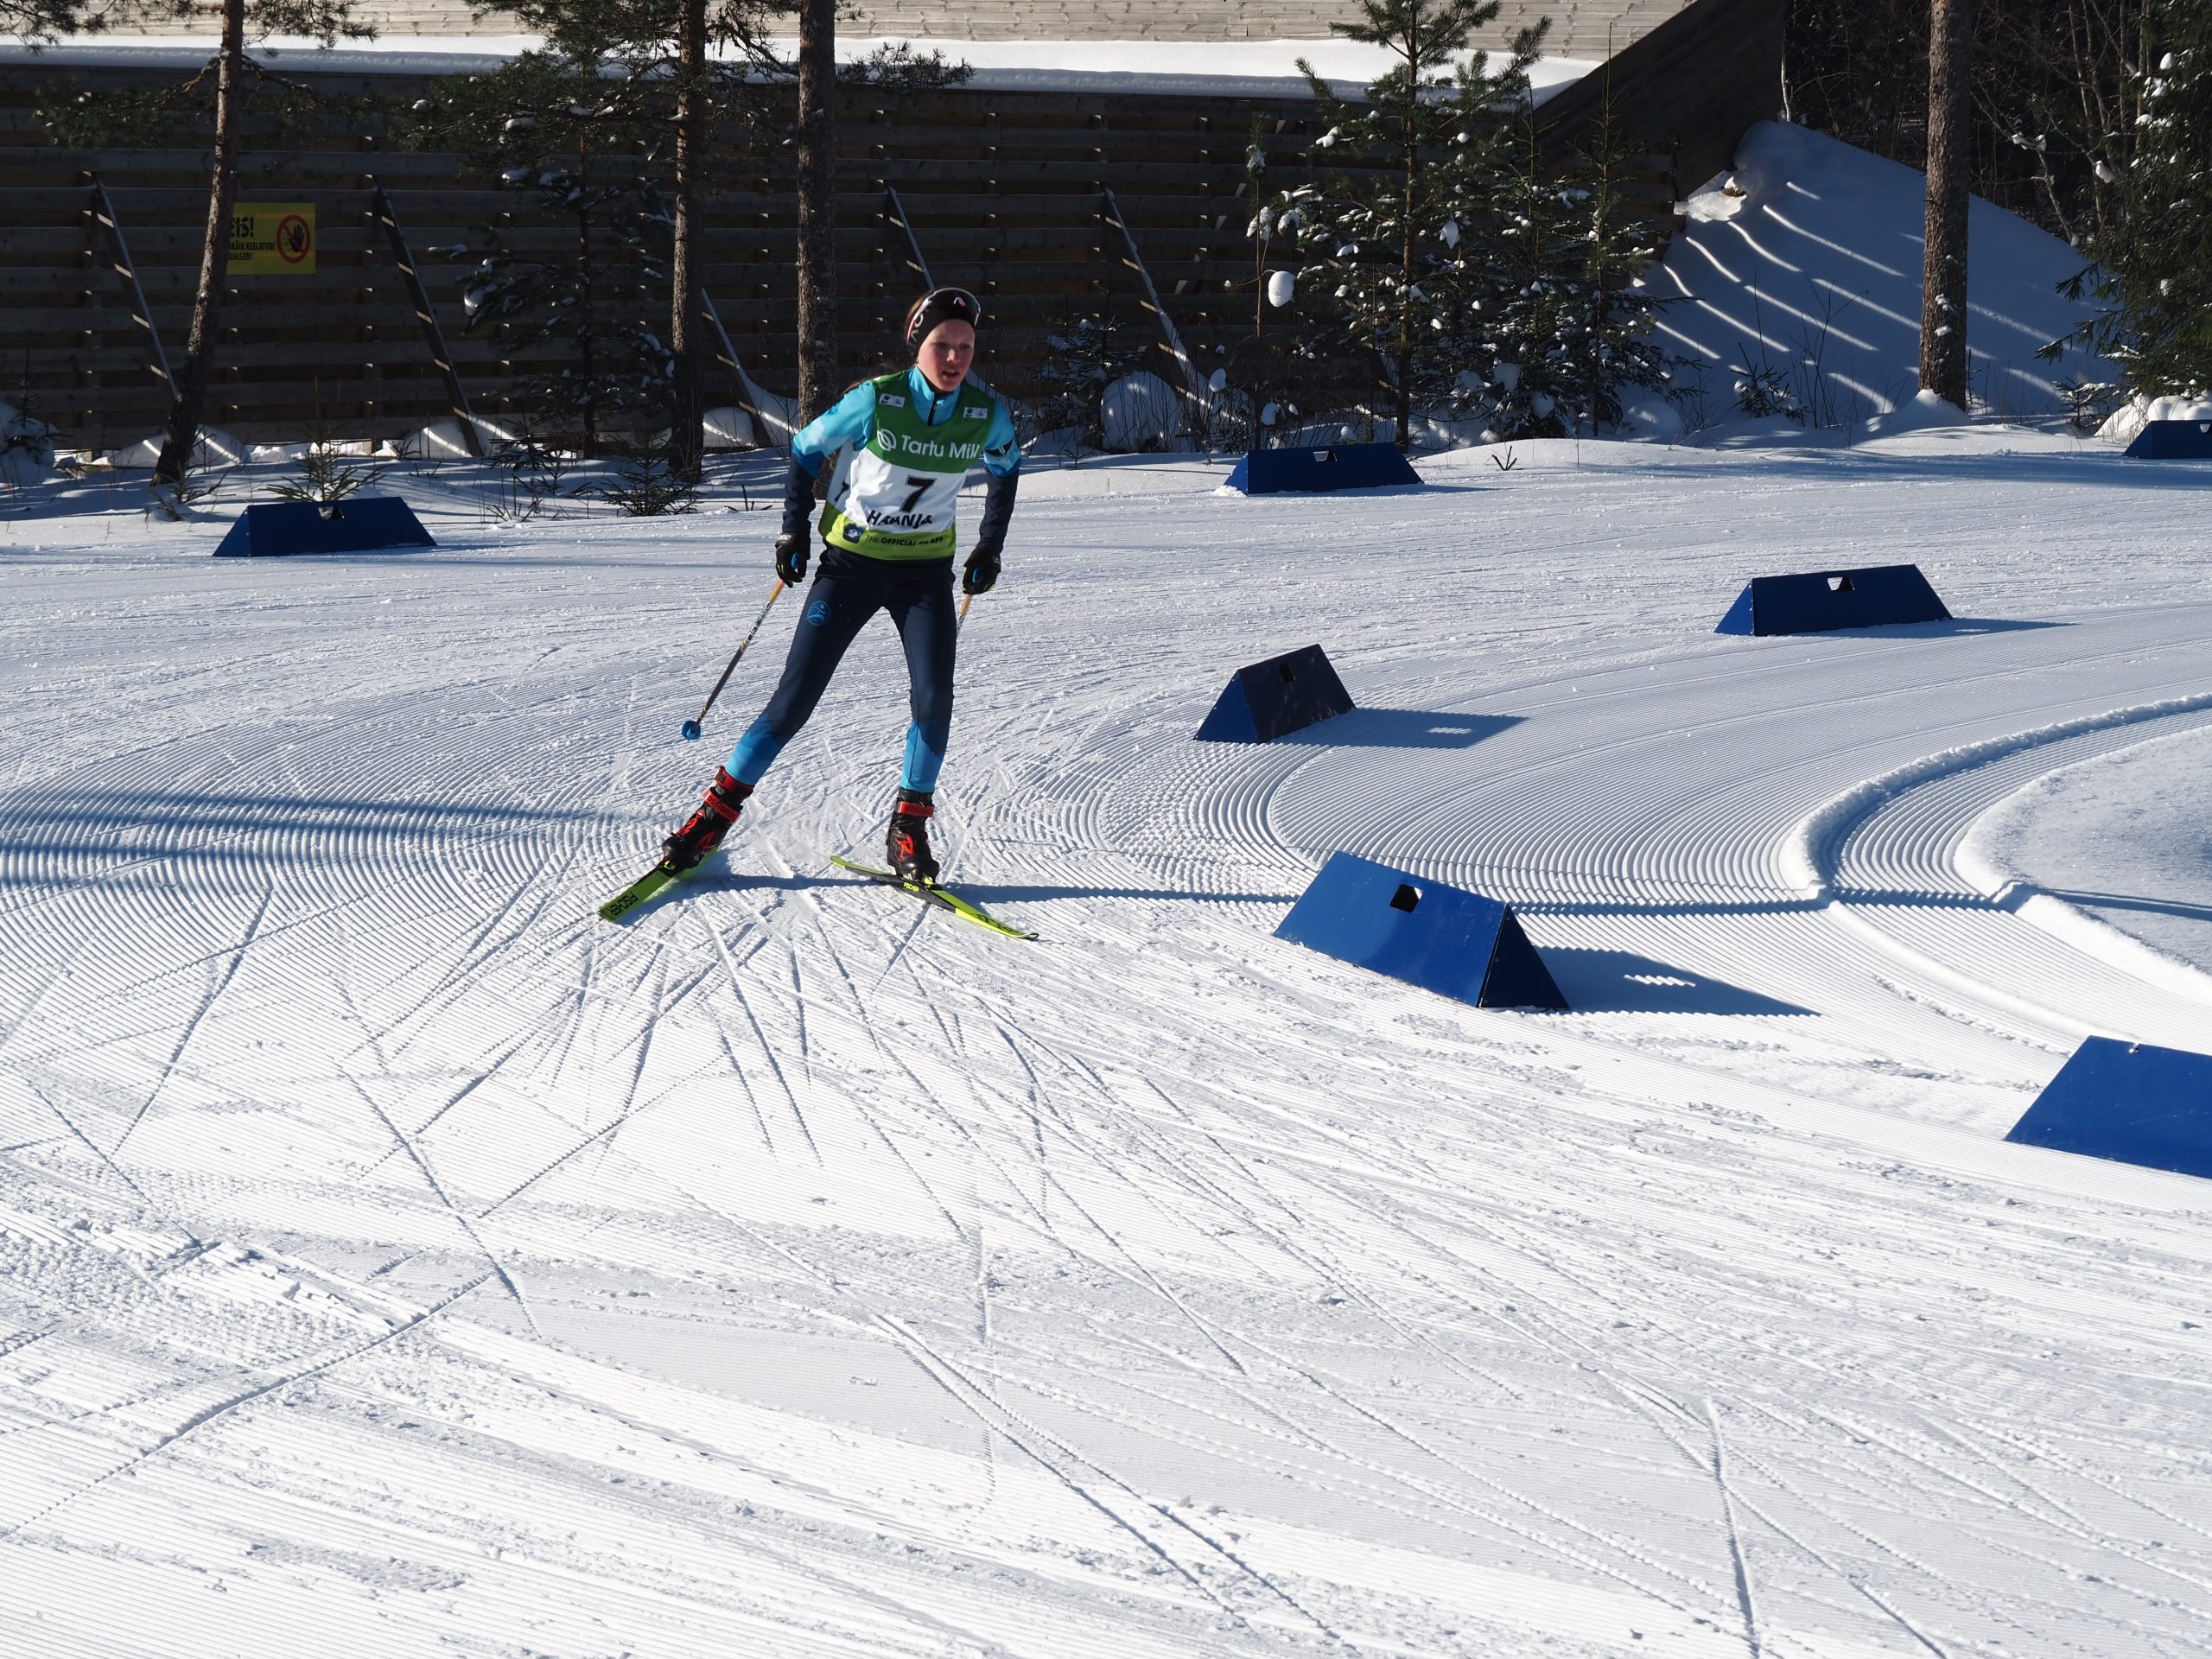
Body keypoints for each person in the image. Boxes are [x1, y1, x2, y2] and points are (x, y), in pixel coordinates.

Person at [658, 287, 1020, 886]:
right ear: (917, 345)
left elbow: (1007, 471)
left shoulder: (986, 415)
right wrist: (792, 532)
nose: (955, 358)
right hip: (851, 567)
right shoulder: (875, 399)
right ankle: (713, 818)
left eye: (965, 346)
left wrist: (990, 546)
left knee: (935, 699)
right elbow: (805, 449)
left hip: (925, 575)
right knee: (793, 701)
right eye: (942, 345)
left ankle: (907, 829)